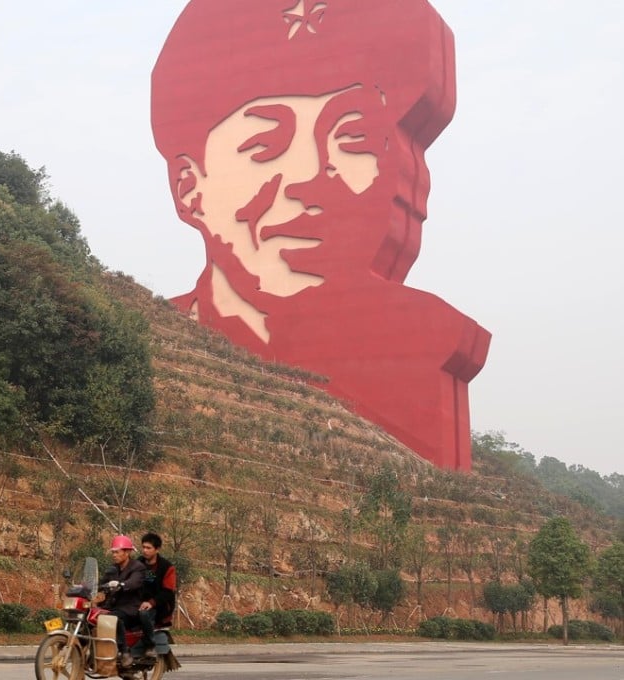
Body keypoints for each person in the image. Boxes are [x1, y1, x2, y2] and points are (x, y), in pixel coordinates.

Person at [151, 0, 490, 471]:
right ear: (189, 188)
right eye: (264, 145)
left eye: (351, 140)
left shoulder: (418, 349)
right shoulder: (143, 351)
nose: (310, 177)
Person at [99, 535, 147, 667]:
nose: (114, 555)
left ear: (127, 552)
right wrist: (85, 588)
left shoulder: (138, 567)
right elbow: (101, 583)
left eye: (117, 552)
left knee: (113, 618)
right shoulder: (113, 569)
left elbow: (134, 582)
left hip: (130, 608)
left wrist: (122, 584)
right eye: (113, 552)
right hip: (114, 606)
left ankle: (125, 652)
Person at [137, 532, 176, 657]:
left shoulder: (167, 567)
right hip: (139, 602)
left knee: (143, 614)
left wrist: (151, 603)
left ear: (157, 549)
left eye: (148, 548)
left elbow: (168, 592)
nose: (145, 550)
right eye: (143, 547)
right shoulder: (138, 563)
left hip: (159, 607)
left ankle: (150, 645)